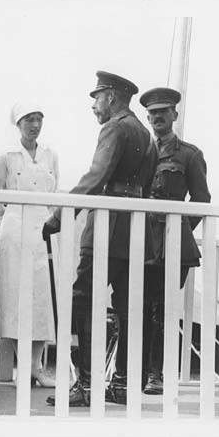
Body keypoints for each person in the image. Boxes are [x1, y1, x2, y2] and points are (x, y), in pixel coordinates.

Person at [42, 71, 157, 406]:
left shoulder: (115, 127)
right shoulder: (146, 135)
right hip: (135, 230)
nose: (94, 106)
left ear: (110, 96)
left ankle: (88, 385)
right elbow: (147, 187)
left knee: (83, 299)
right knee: (128, 307)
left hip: (107, 227)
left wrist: (59, 216)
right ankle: (121, 384)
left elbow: (96, 176)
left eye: (96, 98)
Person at [139, 87, 211, 395]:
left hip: (172, 246)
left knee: (162, 311)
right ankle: (132, 374)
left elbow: (201, 199)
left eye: (163, 112)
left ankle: (157, 374)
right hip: (140, 242)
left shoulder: (189, 154)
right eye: (153, 113)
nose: (158, 117)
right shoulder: (140, 151)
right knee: (136, 307)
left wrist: (179, 228)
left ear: (174, 115)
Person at [0, 102, 59, 387]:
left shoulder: (50, 155)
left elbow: (54, 192)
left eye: (38, 119)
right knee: (13, 297)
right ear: (18, 124)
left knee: (41, 299)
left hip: (40, 229)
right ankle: (10, 366)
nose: (34, 125)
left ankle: (33, 366)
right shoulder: (6, 156)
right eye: (29, 120)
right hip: (13, 229)